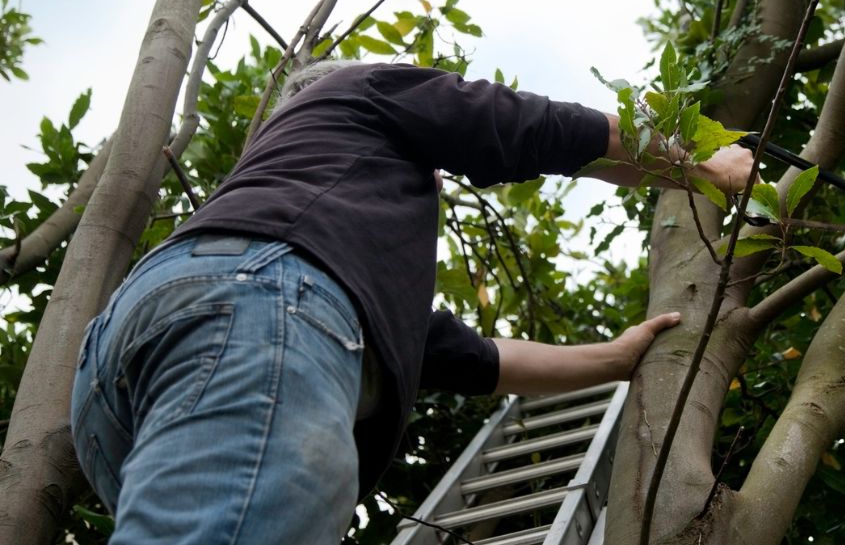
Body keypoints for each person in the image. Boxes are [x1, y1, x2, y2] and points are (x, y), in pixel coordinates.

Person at [70, 60, 753, 544]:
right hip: (257, 309)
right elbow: (516, 122)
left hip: (117, 375)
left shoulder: (339, 252)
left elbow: (469, 357)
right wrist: (699, 167)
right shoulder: (360, 86)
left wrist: (614, 358)